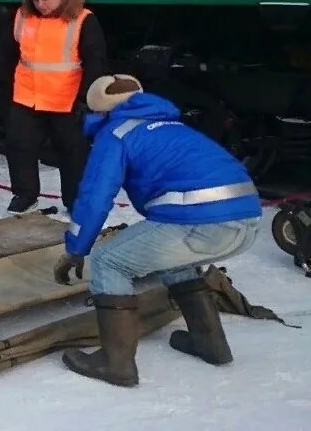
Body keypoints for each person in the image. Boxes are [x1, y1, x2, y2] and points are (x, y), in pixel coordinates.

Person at [52, 75, 262, 387]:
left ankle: (116, 362)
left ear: (99, 111)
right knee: (174, 257)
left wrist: (76, 249)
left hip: (200, 223)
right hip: (248, 220)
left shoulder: (116, 133)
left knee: (109, 260)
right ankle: (210, 343)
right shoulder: (172, 127)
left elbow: (94, 199)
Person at [0, 0, 106, 215]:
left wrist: (86, 99)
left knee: (72, 154)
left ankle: (76, 201)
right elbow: (5, 52)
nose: (40, 4)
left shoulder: (83, 19)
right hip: (28, 97)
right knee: (19, 146)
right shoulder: (22, 16)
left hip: (67, 100)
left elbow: (96, 60)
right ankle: (25, 195)